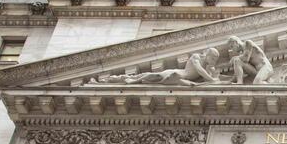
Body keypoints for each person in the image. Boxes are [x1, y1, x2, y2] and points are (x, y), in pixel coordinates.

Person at [94, 47, 222, 86]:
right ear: (208, 55)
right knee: (154, 76)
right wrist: (212, 80)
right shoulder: (196, 57)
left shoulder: (208, 66)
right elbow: (199, 70)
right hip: (177, 74)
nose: (214, 60)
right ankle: (130, 80)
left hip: (180, 79)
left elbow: (208, 75)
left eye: (216, 59)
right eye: (214, 58)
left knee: (152, 78)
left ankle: (130, 79)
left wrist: (212, 72)